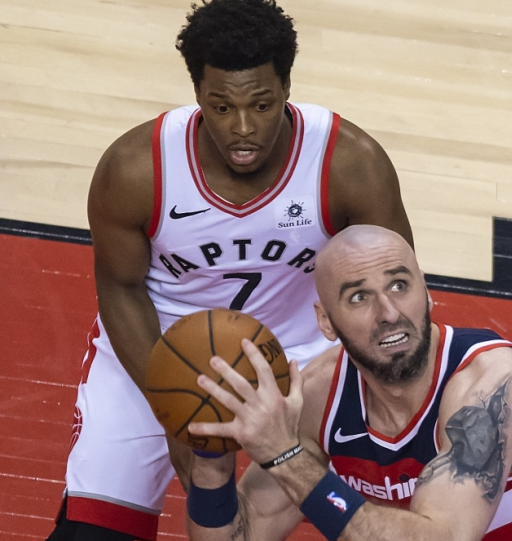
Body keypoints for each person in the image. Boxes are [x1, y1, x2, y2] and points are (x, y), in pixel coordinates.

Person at [48, 1, 413, 539]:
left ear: (287, 87)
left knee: (395, 516)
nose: (243, 128)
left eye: (262, 105)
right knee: (91, 534)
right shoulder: (135, 169)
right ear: (196, 93)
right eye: (221, 108)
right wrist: (165, 399)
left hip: (305, 356)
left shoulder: (349, 163)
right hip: (159, 350)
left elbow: (396, 290)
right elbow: (121, 291)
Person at [182, 225, 512, 541]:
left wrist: (285, 457)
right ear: (326, 321)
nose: (389, 312)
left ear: (428, 292)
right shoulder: (319, 397)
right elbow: (242, 532)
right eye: (358, 297)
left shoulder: (495, 386)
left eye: (399, 286)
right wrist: (211, 462)